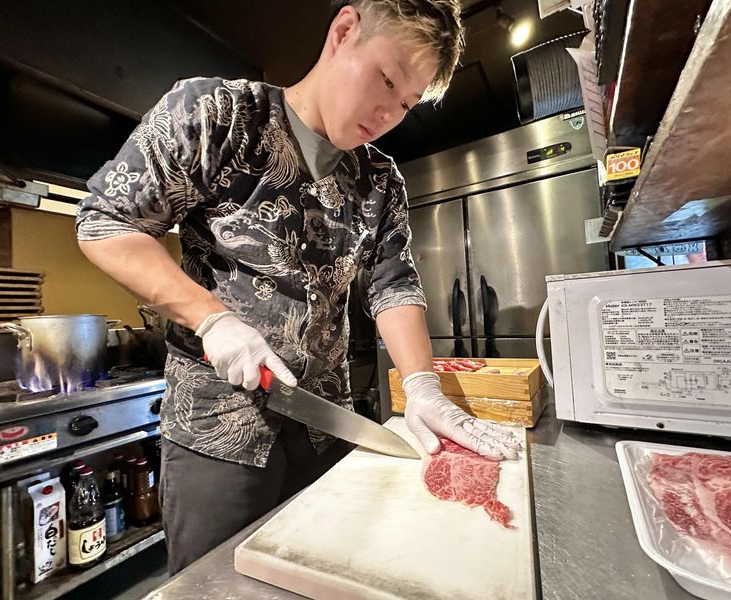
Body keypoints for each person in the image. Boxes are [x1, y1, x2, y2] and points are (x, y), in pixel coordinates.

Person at [76, 0, 521, 574]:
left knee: (317, 576)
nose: (388, 113)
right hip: (217, 431)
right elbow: (106, 223)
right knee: (216, 585)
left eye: (407, 104)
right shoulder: (217, 115)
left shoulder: (379, 180)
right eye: (387, 80)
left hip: (324, 430)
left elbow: (393, 284)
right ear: (344, 31)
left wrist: (422, 386)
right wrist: (213, 319)